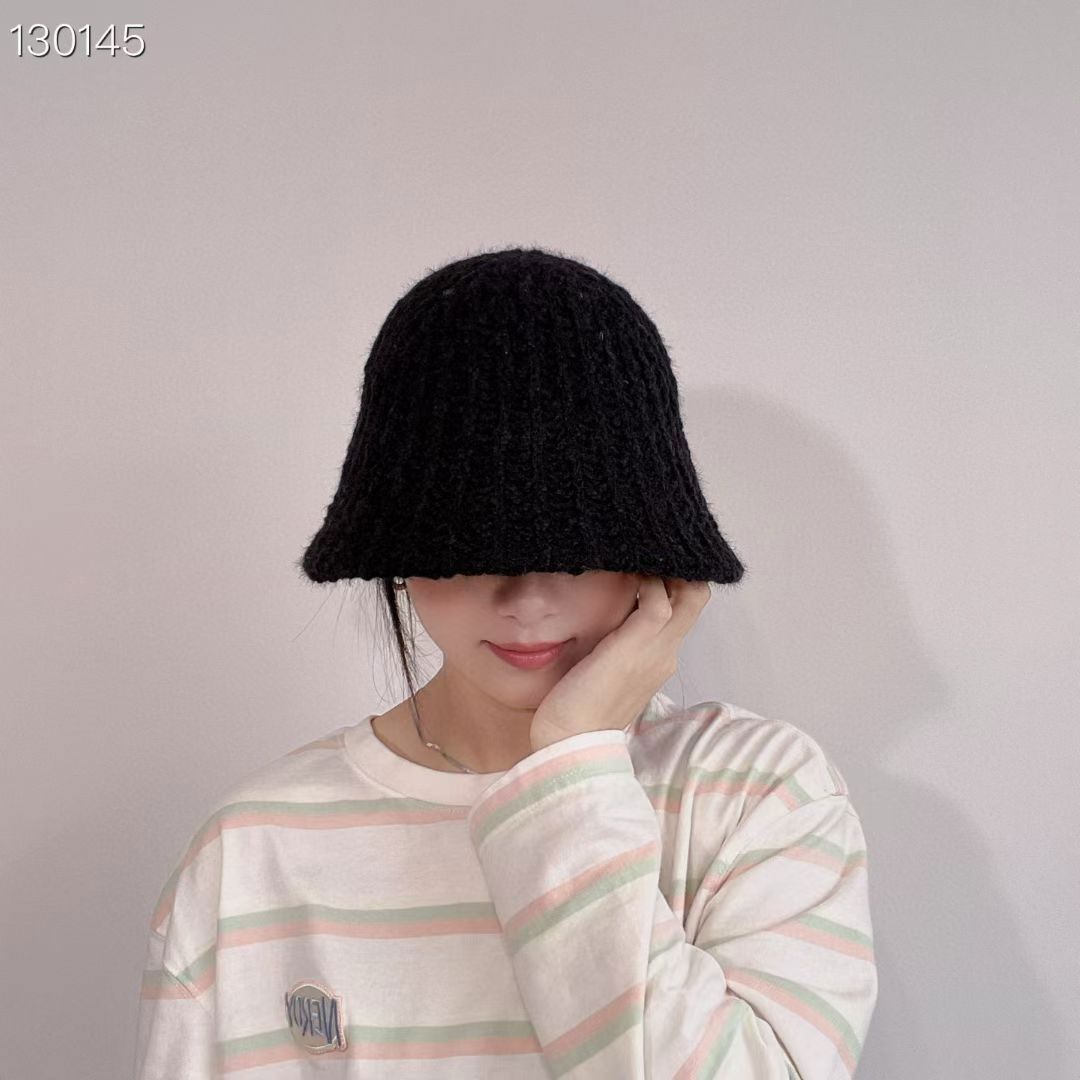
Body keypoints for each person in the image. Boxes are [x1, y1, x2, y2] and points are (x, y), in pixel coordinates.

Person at [134, 246, 878, 1078]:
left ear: (653, 554)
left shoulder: (756, 797)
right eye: (468, 546)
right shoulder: (254, 847)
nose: (526, 598)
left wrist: (572, 765)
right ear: (399, 547)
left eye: (578, 546)